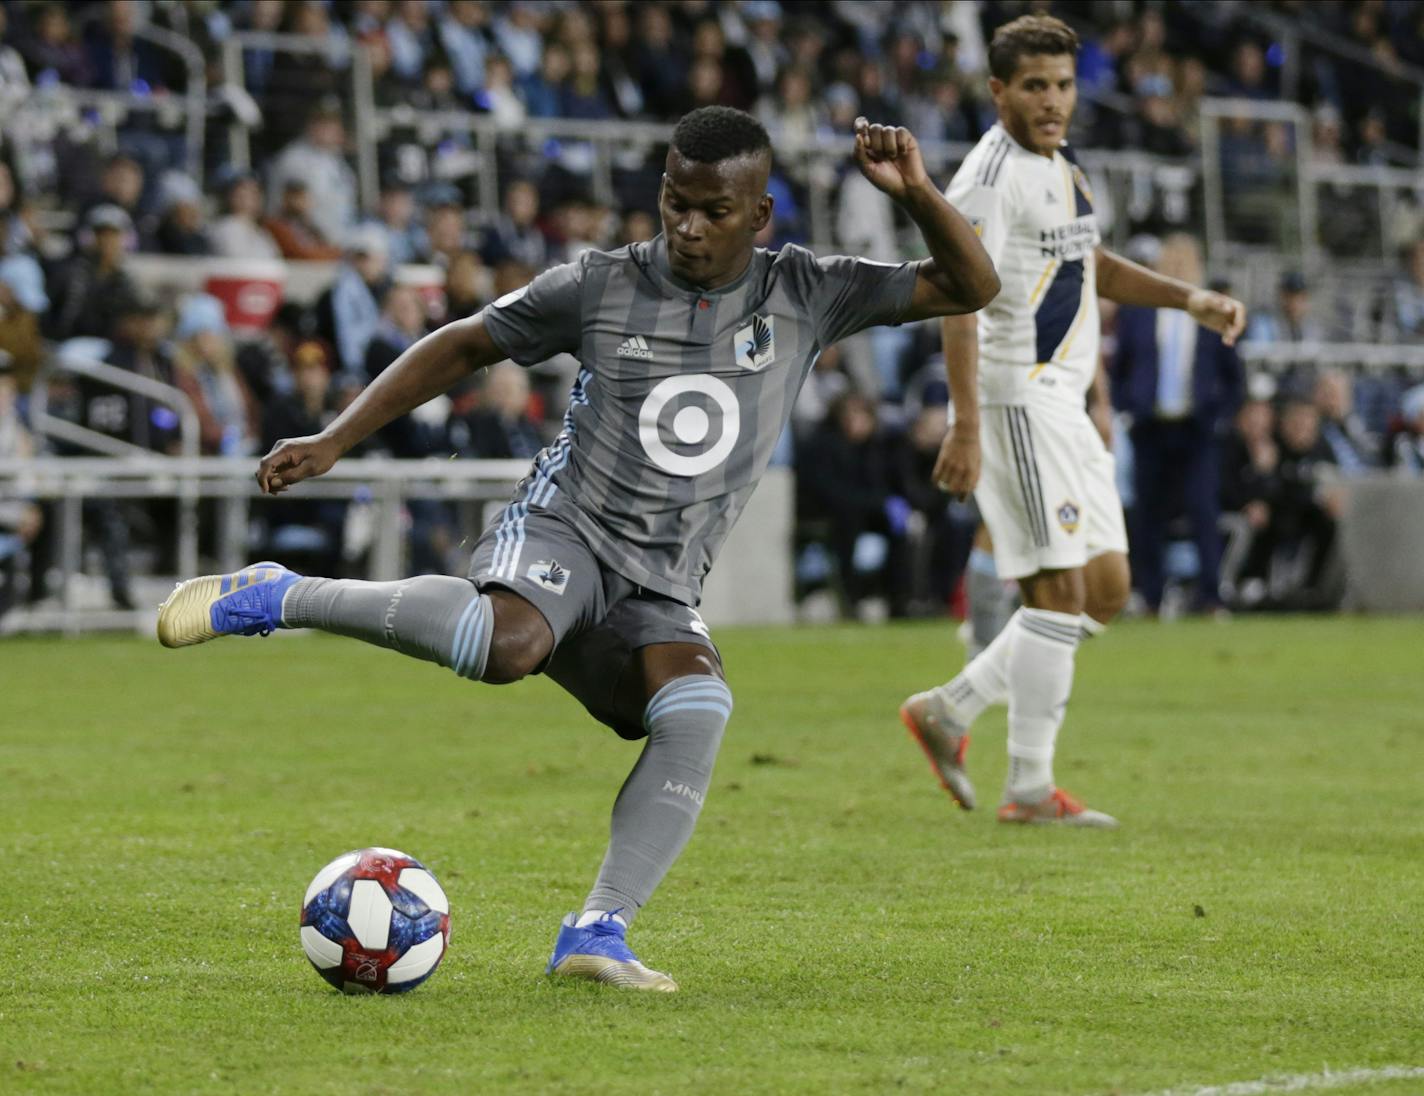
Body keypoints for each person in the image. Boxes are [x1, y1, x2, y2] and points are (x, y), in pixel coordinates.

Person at [157, 105, 998, 991]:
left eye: (714, 210)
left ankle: (596, 932)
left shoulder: (809, 290)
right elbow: (463, 343)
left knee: (696, 709)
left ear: (760, 216)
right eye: (676, 201)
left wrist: (915, 192)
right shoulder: (601, 283)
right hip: (566, 525)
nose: (688, 226)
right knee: (507, 645)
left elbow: (971, 285)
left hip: (662, 581)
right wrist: (334, 439)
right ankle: (279, 594)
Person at [898, 15, 1245, 827]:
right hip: (1015, 396)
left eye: (1062, 85)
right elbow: (958, 297)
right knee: (1057, 594)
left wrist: (1187, 297)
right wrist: (965, 423)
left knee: (1109, 590)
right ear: (998, 91)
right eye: (1034, 87)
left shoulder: (1064, 168)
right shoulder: (987, 176)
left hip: (1065, 403)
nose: (1053, 102)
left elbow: (1089, 265)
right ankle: (1028, 788)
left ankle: (951, 705)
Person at [1112, 235, 1243, 614]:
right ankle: (1149, 594)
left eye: (1186, 264)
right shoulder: (1138, 312)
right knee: (1148, 512)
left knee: (1203, 510)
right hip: (1150, 426)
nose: (1179, 270)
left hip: (1196, 428)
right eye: (1173, 263)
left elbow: (1234, 375)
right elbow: (1120, 368)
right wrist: (1128, 408)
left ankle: (1210, 595)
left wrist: (1218, 417)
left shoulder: (1211, 312)